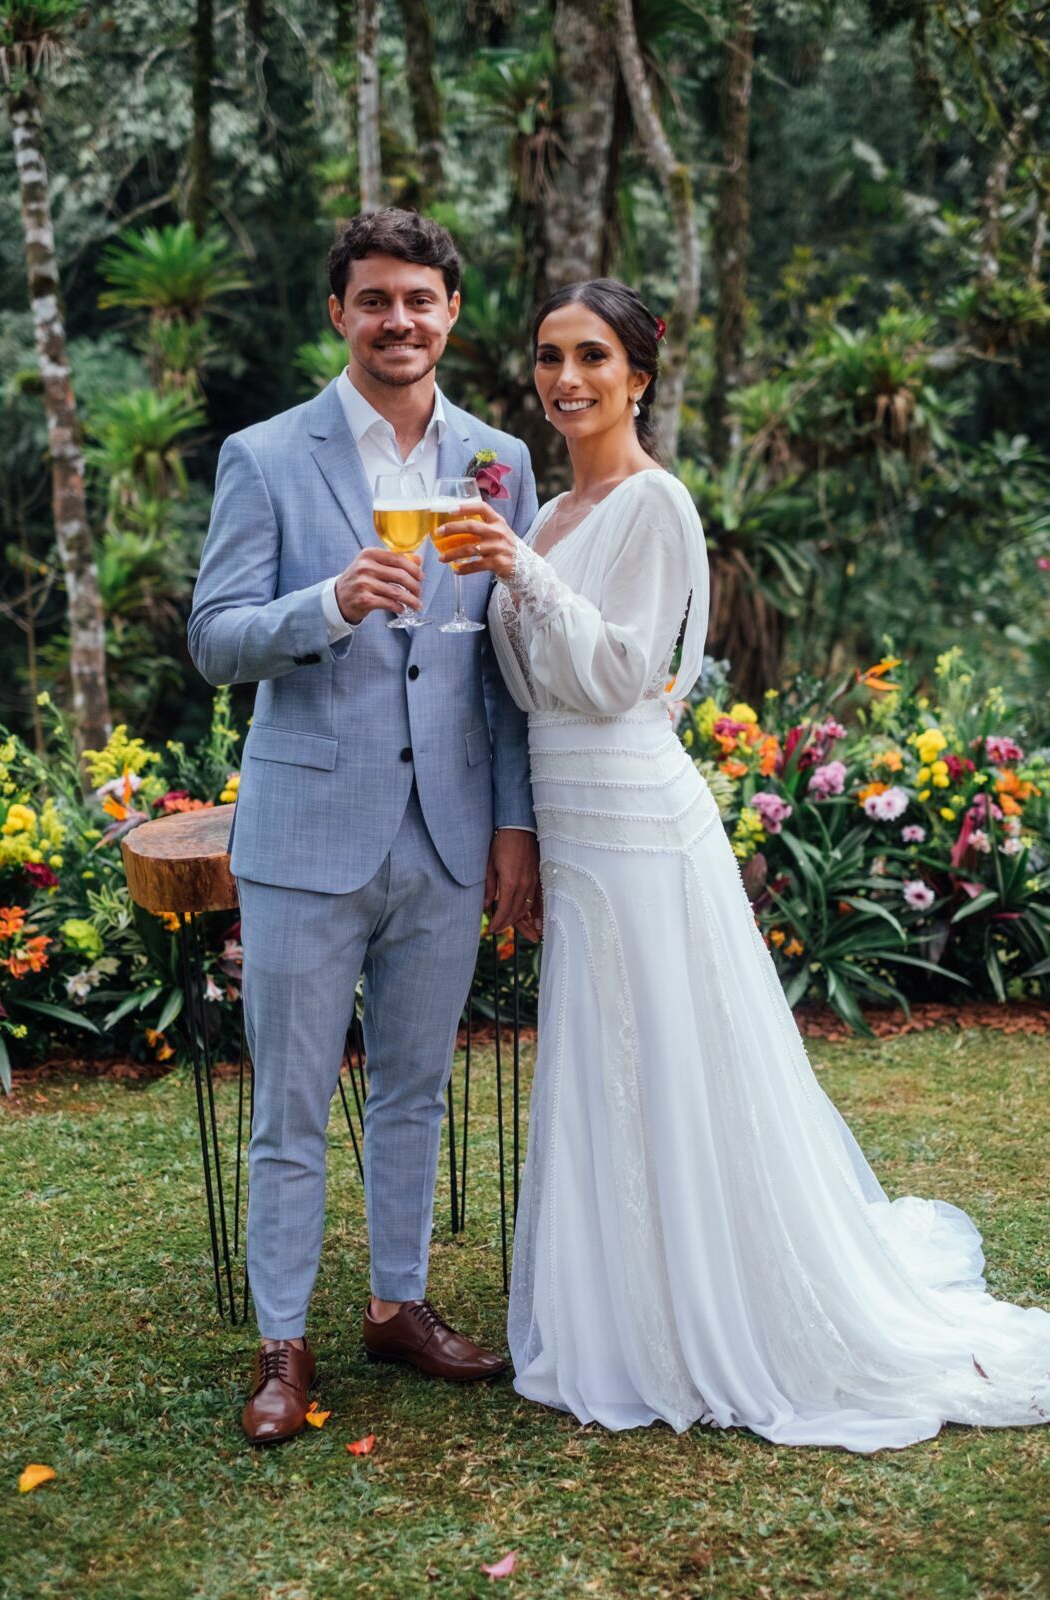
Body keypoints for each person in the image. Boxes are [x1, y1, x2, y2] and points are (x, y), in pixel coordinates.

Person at [435, 277, 1050, 1452]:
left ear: (640, 376)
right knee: (602, 1053)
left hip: (635, 815)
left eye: (592, 358)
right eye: (550, 357)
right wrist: (513, 570)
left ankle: (709, 1310)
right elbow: (524, 684)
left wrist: (515, 569)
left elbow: (621, 676)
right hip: (571, 818)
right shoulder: (552, 514)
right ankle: (612, 1301)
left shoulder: (653, 504)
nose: (565, 379)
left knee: (672, 1053)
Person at [188, 209, 541, 1446]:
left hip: (445, 835)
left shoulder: (497, 460)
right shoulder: (266, 456)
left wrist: (514, 826)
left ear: (452, 312)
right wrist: (328, 600)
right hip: (304, 834)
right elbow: (214, 638)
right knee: (289, 1102)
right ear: (337, 313)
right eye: (375, 298)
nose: (400, 320)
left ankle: (397, 1305)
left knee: (414, 1094)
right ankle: (283, 1342)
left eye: (422, 299)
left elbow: (504, 662)